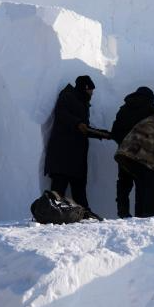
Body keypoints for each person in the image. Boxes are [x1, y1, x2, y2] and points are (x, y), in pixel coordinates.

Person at [44, 75, 109, 218]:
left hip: (76, 156)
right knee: (58, 187)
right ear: (85, 88)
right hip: (63, 153)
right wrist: (77, 123)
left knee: (79, 187)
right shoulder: (68, 97)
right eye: (91, 90)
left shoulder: (81, 102)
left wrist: (101, 134)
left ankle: (84, 213)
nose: (92, 94)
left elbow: (83, 128)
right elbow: (62, 114)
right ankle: (52, 213)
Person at [111, 86, 154, 218]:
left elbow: (114, 131)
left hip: (124, 153)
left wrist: (124, 142)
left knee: (124, 183)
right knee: (142, 184)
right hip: (142, 154)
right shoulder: (152, 109)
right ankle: (141, 215)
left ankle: (123, 212)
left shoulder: (124, 109)